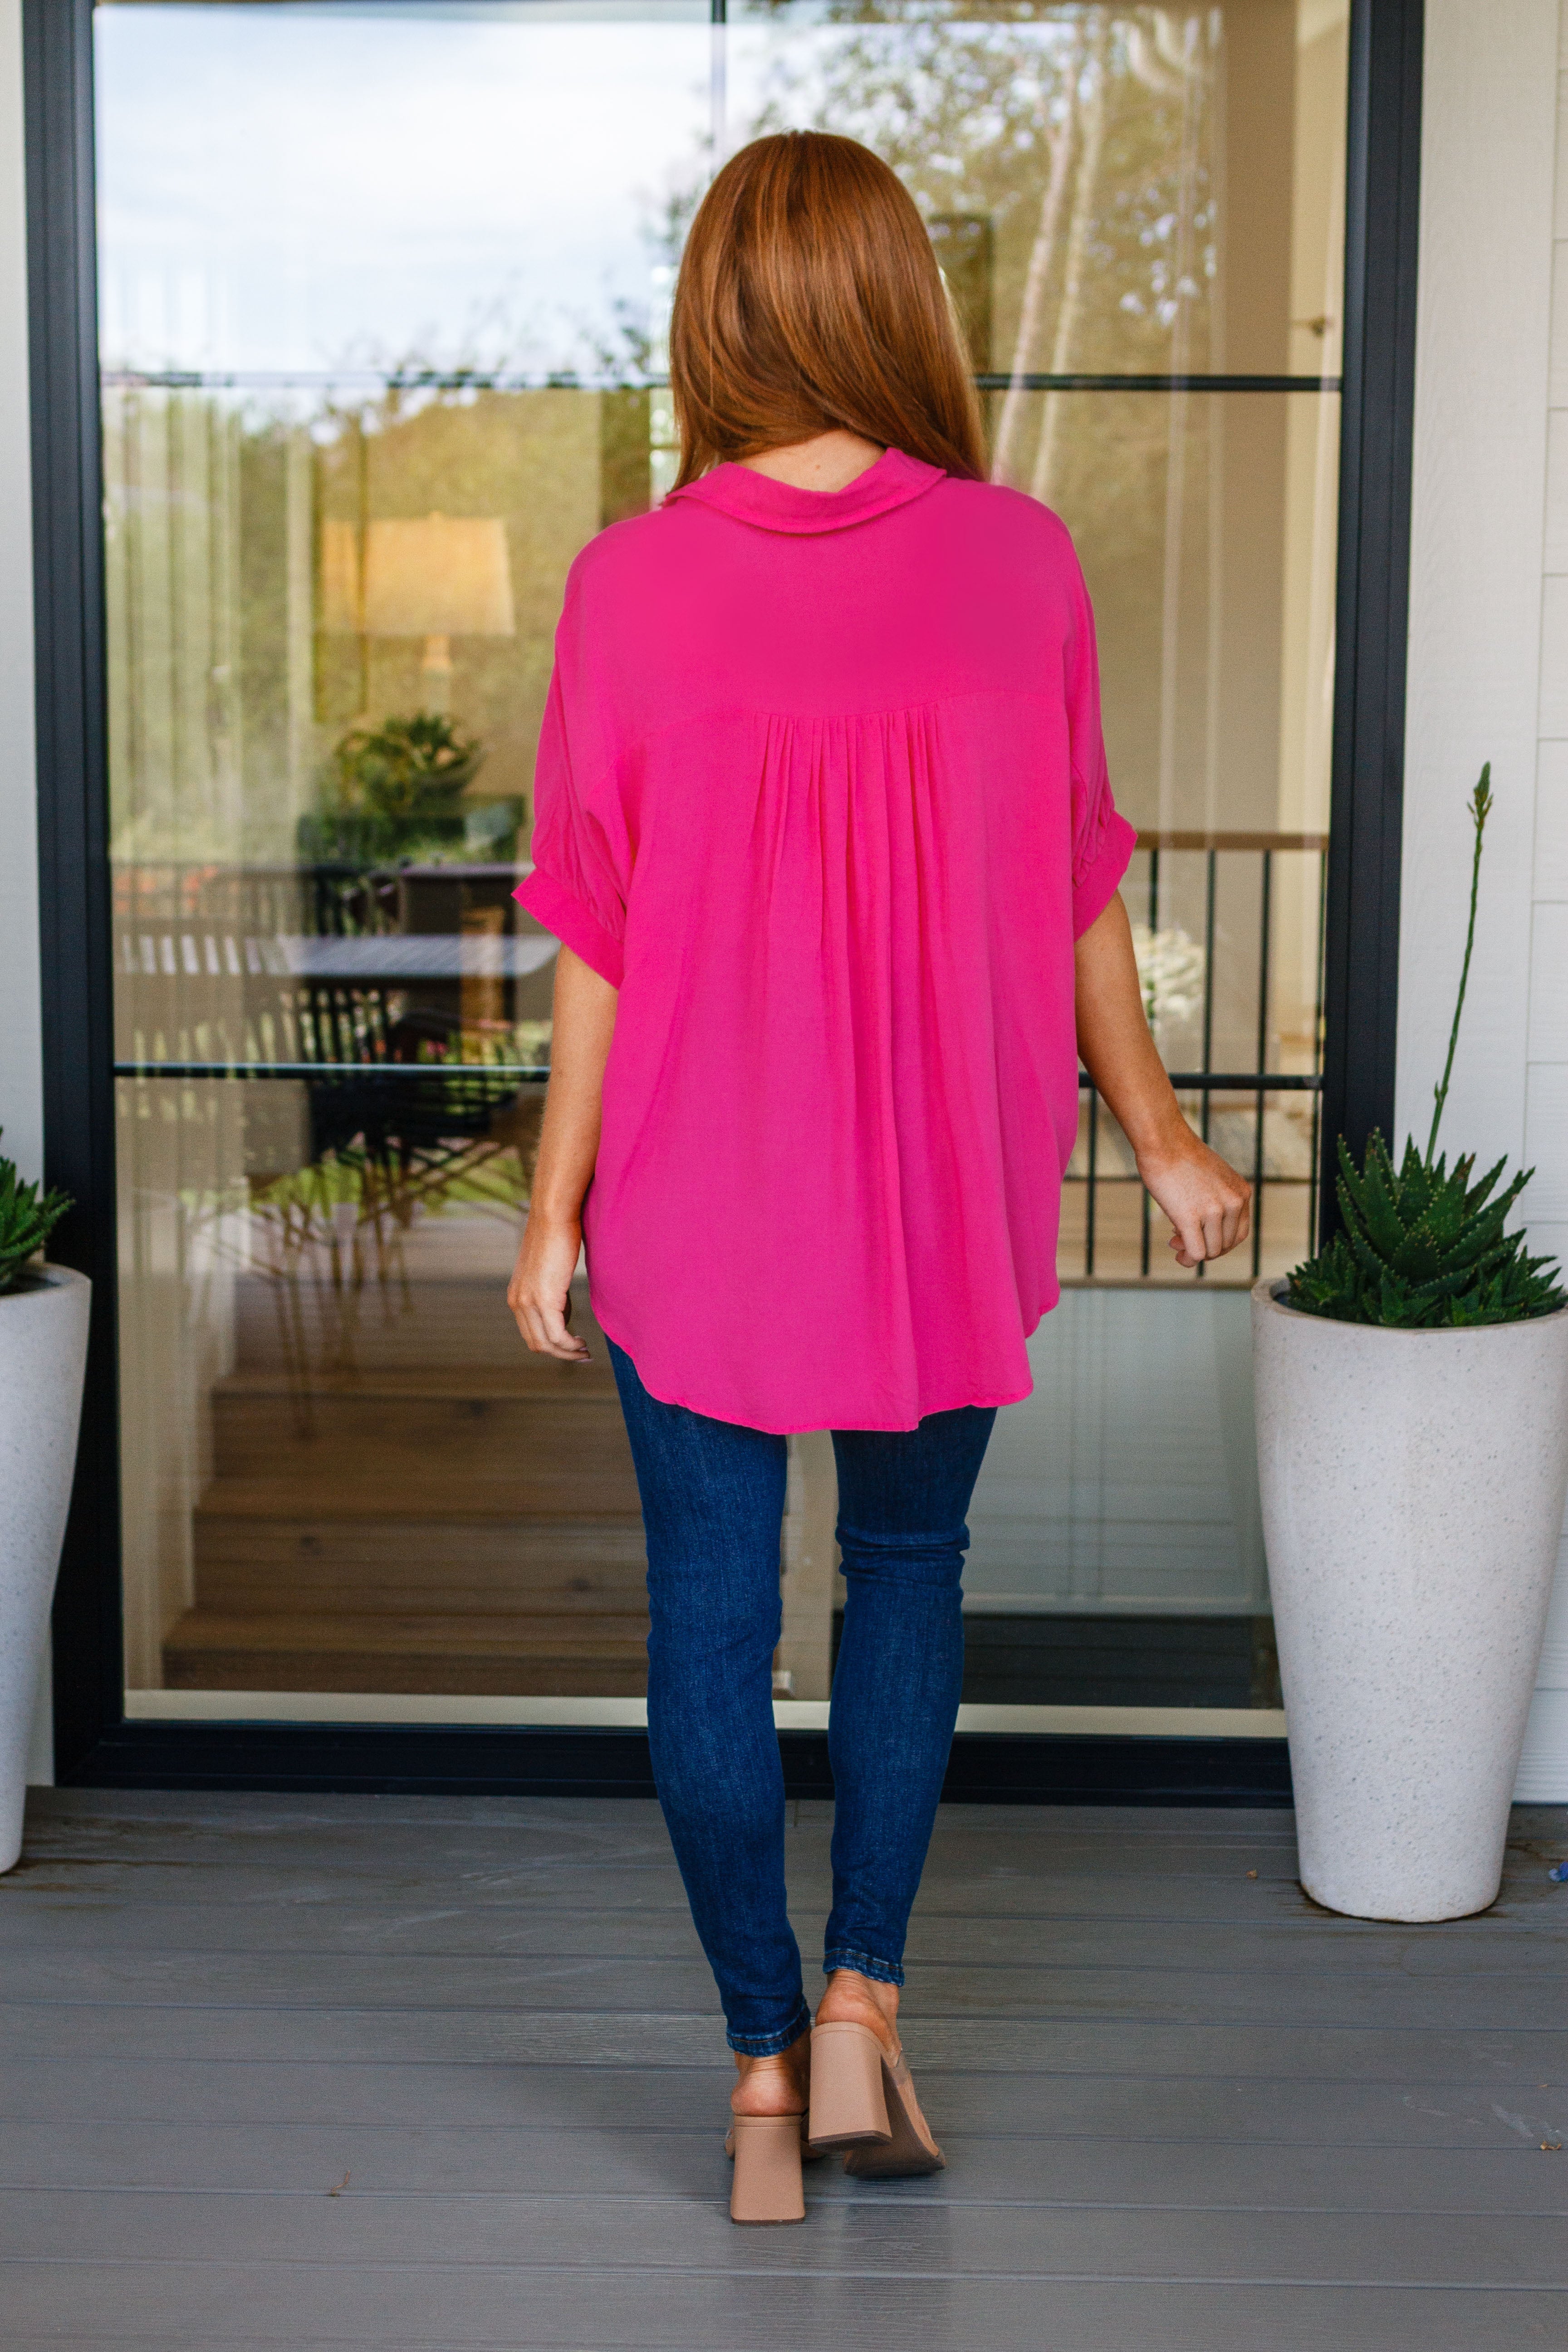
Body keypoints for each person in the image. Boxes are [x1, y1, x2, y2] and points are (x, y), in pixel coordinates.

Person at [507, 129, 1251, 2224]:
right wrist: (1163, 1136)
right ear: (899, 302)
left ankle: (761, 2077)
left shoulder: (629, 584)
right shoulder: (1019, 562)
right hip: (942, 1184)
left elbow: (597, 938)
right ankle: (861, 2016)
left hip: (694, 1189)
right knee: (910, 1576)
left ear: (718, 319)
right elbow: (1081, 888)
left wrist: (554, 1210)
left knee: (710, 1619)